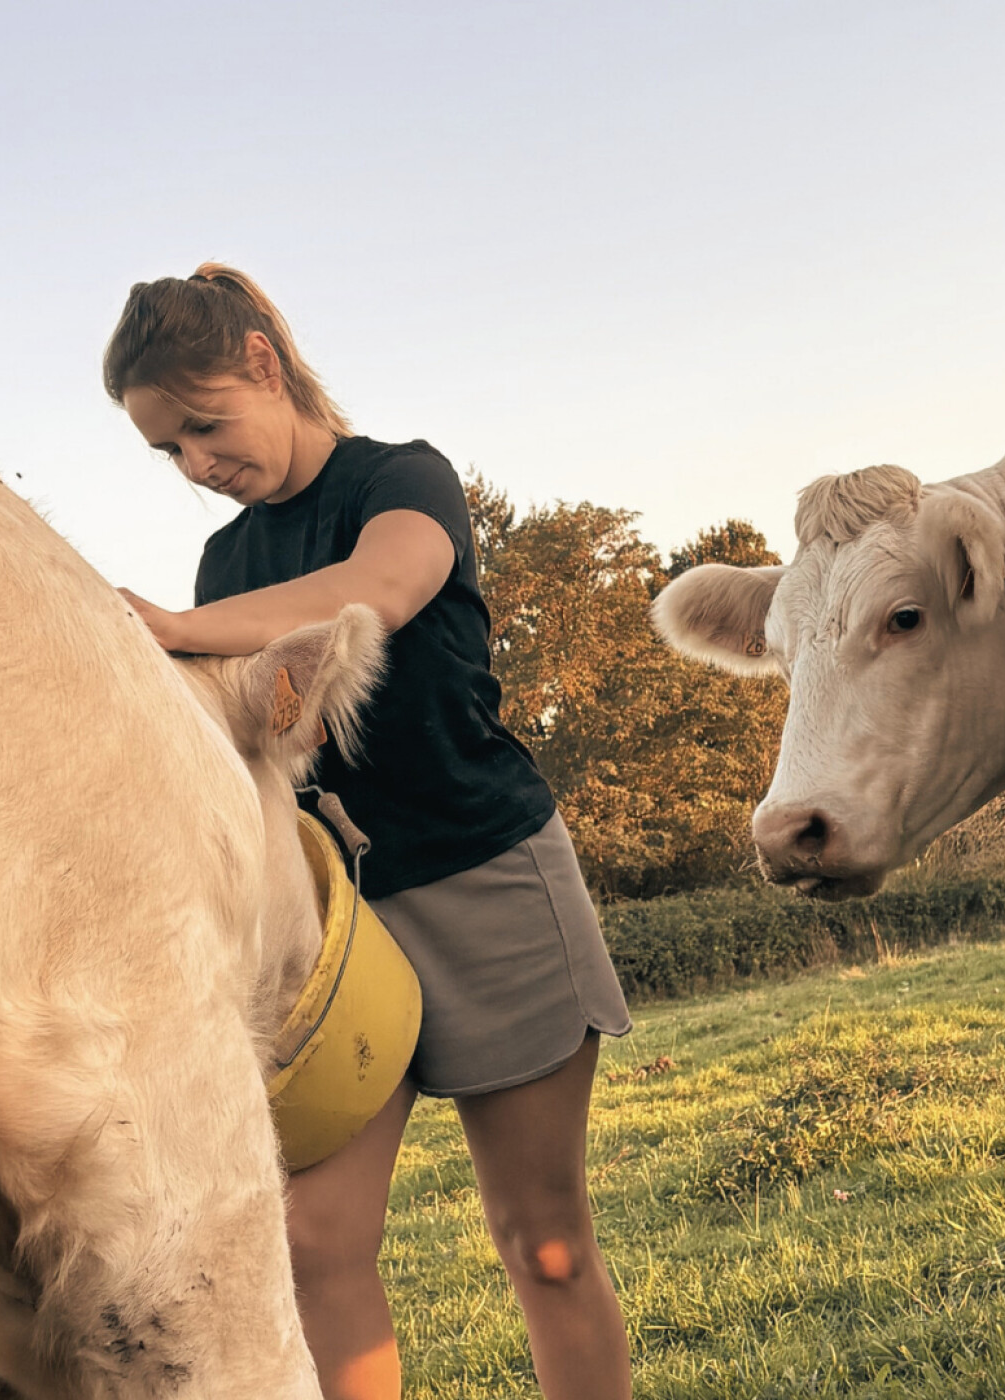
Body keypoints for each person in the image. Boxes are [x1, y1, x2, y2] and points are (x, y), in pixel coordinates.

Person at [103, 263, 633, 1400]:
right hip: (334, 926)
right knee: (313, 1243)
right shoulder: (225, 561)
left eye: (203, 424)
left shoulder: (400, 478)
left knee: (543, 1239)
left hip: (487, 874)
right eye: (167, 451)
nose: (197, 463)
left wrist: (179, 630)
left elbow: (378, 591)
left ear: (262, 362)